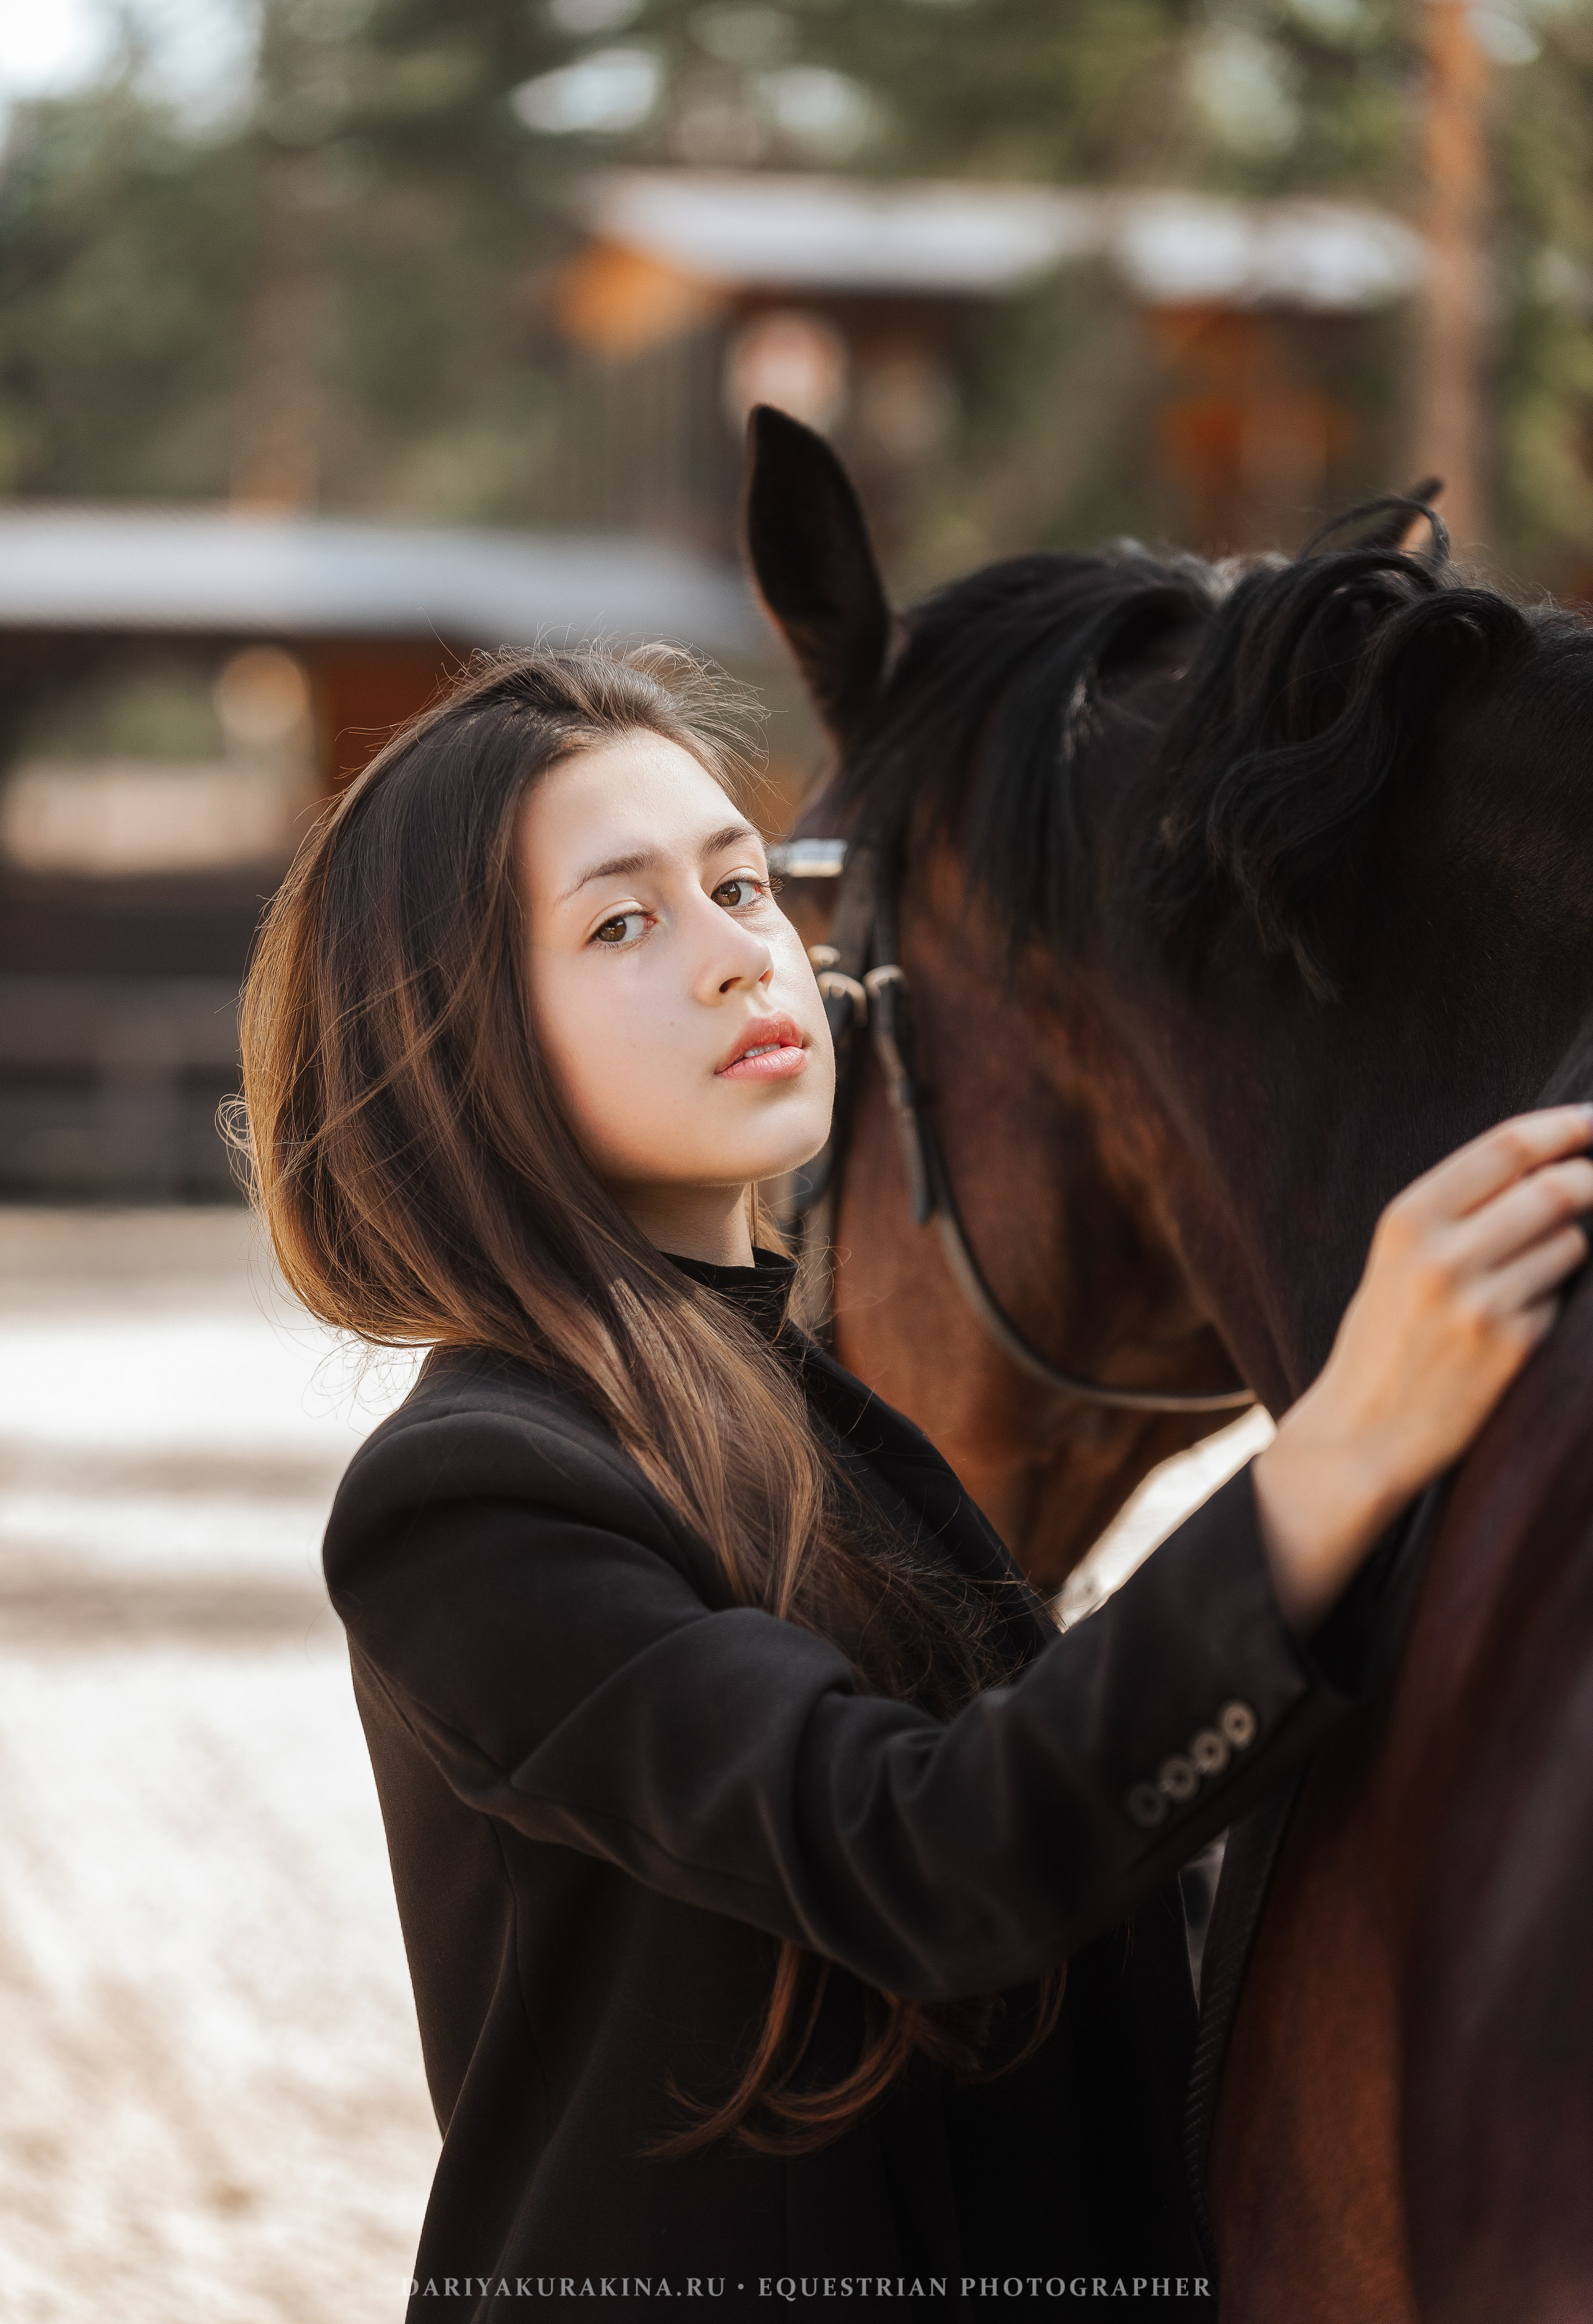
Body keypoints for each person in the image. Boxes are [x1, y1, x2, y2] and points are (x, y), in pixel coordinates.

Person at [237, 647, 1593, 2324]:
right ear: (456, 1047)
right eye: (623, 922)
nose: (744, 953)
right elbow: (919, 1851)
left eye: (741, 879)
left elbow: (1111, 1872)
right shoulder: (465, 1498)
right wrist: (1342, 1448)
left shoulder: (826, 1431)